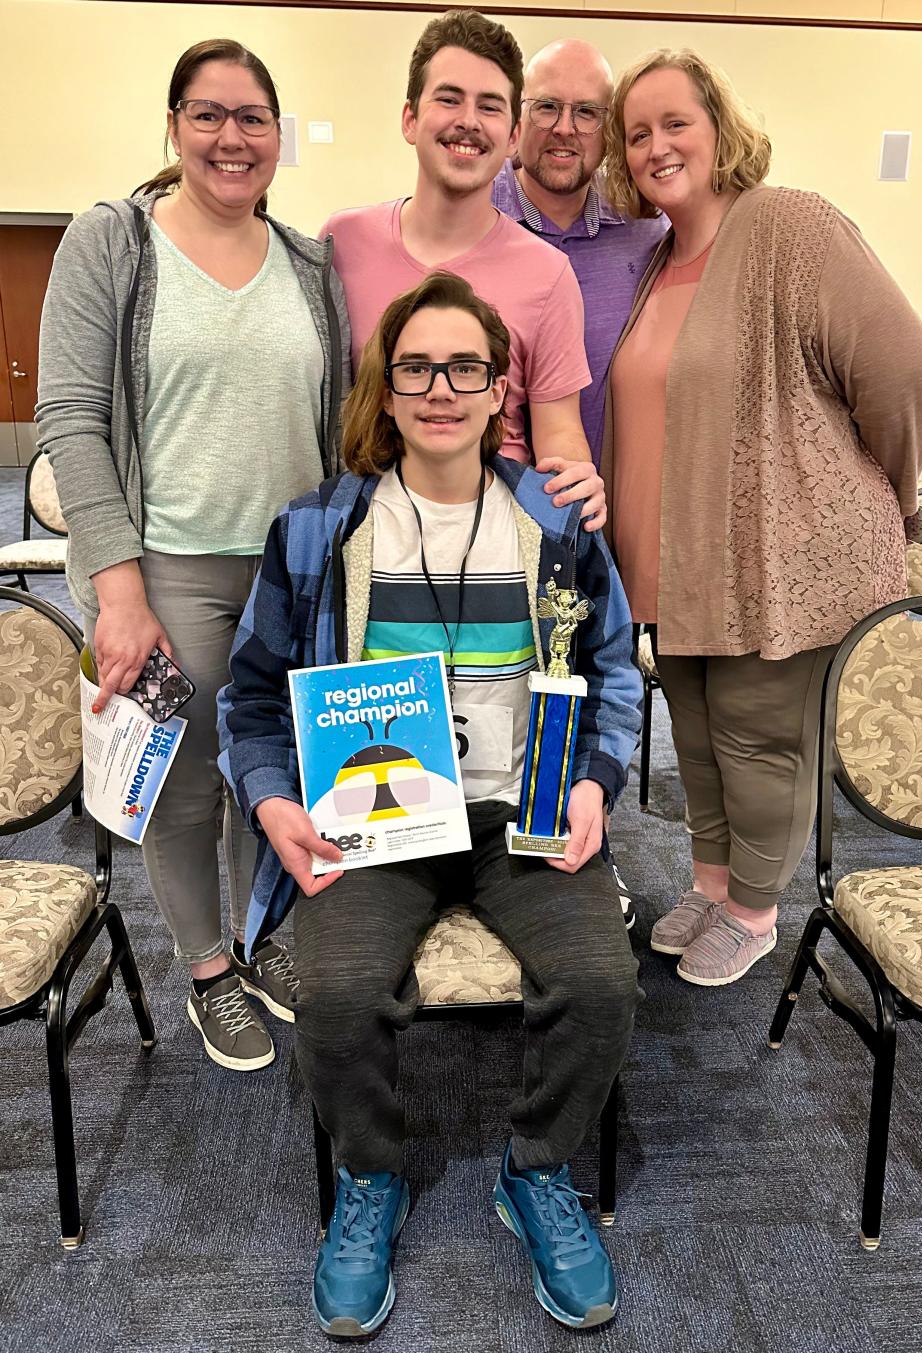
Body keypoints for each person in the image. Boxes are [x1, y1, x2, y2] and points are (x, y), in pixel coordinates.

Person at [218, 273, 641, 1336]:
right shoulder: (321, 531)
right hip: (379, 816)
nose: (440, 387)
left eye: (465, 367)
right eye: (418, 366)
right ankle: (372, 1177)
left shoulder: (554, 522)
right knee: (338, 995)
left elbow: (616, 671)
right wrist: (274, 806)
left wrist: (595, 781)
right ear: (389, 386)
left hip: (521, 807)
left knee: (600, 983)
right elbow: (253, 695)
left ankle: (537, 1171)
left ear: (501, 388)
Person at [36, 38, 351, 1070]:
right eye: (208, 114)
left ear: (278, 135)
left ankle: (261, 942)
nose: (231, 137)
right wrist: (116, 586)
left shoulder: (309, 264)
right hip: (163, 563)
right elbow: (72, 419)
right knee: (185, 782)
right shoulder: (111, 240)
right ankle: (209, 967)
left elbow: (339, 421)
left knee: (274, 768)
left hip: (292, 570)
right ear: (173, 126)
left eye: (253, 117)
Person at [601, 49, 922, 986]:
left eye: (677, 122)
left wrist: (881, 489)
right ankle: (712, 882)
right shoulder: (661, 257)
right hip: (674, 562)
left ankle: (753, 910)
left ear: (721, 126)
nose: (657, 145)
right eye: (637, 133)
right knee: (698, 728)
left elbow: (904, 366)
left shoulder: (787, 223)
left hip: (775, 555)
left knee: (758, 735)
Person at [320, 10, 607, 529]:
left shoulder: (548, 274)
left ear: (514, 134)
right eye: (449, 98)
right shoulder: (342, 243)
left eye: (489, 106)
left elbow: (559, 432)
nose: (468, 121)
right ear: (410, 118)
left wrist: (578, 477)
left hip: (494, 551)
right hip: (366, 538)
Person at [491, 39, 668, 467]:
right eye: (547, 106)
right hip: (488, 513)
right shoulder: (473, 219)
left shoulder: (647, 228)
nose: (565, 128)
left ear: (611, 132)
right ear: (518, 117)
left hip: (617, 506)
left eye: (587, 112)